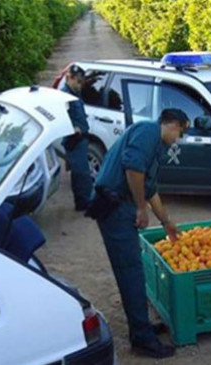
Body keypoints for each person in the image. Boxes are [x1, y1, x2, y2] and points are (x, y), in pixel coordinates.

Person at [85, 108, 190, 358]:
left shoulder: (156, 145)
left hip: (122, 205)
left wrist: (166, 221)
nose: (179, 139)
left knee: (133, 269)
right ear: (173, 124)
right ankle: (142, 339)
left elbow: (149, 187)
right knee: (130, 271)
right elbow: (133, 169)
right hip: (114, 206)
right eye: (181, 132)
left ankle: (141, 327)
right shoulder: (147, 131)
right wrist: (141, 209)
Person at [60, 63, 92, 211]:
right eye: (78, 82)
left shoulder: (74, 92)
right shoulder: (64, 96)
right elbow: (61, 117)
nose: (80, 86)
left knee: (83, 172)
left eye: (81, 82)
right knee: (80, 173)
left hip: (81, 138)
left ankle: (85, 201)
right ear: (69, 78)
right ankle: (82, 204)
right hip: (74, 139)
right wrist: (73, 128)